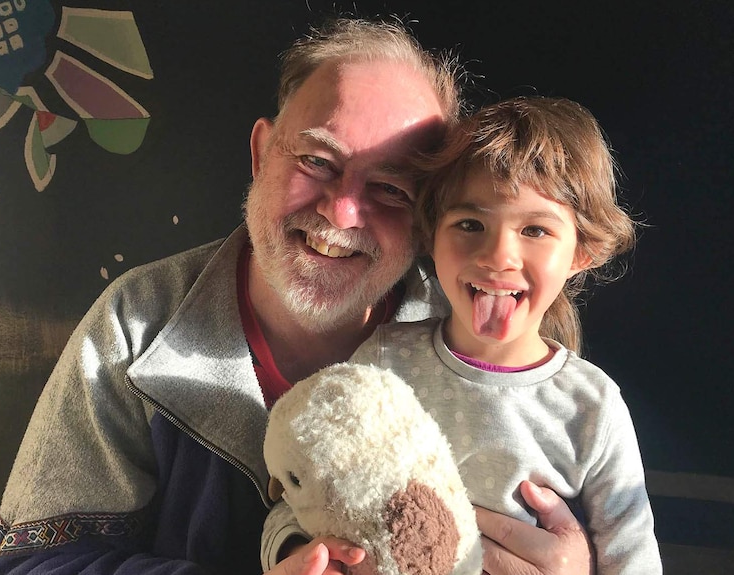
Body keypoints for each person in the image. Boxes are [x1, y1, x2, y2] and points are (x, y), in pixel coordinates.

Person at [0, 18, 593, 575]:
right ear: (262, 151)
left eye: (392, 189)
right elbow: (26, 564)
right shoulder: (135, 325)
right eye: (318, 160)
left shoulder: (490, 347)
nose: (342, 211)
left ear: (425, 215)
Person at [263, 97, 661, 574]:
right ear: (430, 237)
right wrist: (293, 553)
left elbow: (634, 558)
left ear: (583, 252)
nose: (497, 256)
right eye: (470, 224)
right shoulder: (385, 361)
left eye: (535, 230)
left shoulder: (593, 407)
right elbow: (302, 489)